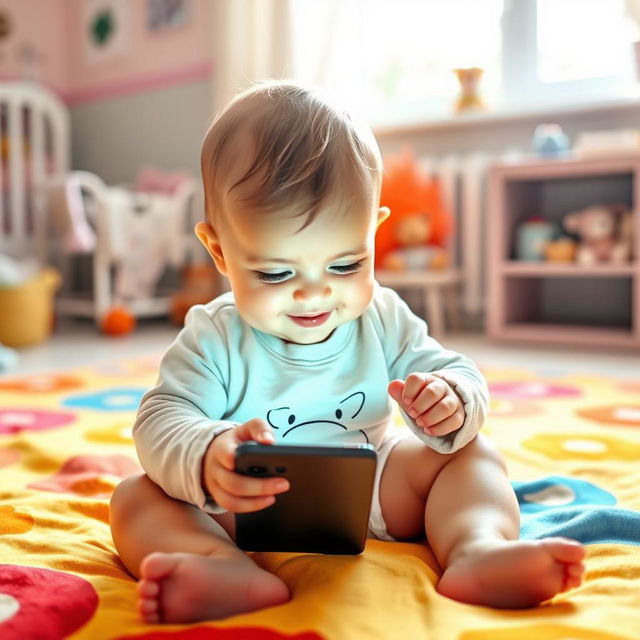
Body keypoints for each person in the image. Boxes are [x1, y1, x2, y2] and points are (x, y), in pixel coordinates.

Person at [109, 80, 585, 624]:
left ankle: (476, 548)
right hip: (239, 508)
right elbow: (161, 417)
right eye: (276, 272)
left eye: (344, 265)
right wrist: (208, 456)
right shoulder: (213, 335)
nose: (315, 294)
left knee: (473, 453)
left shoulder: (382, 315)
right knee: (134, 498)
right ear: (220, 250)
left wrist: (450, 401)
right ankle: (220, 567)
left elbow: (452, 368)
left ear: (372, 236)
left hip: (378, 492)